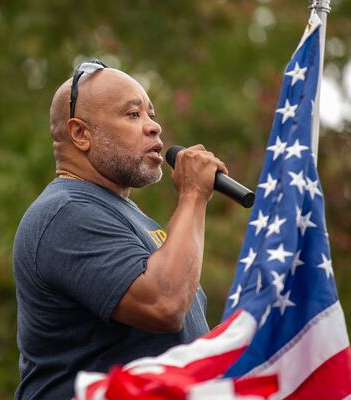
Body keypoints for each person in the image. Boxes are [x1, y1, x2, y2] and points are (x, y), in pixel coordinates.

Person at [12, 61, 229, 400]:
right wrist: (192, 195)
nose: (153, 128)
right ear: (80, 134)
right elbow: (165, 303)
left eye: (151, 115)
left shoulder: (124, 215)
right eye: (133, 115)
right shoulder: (65, 213)